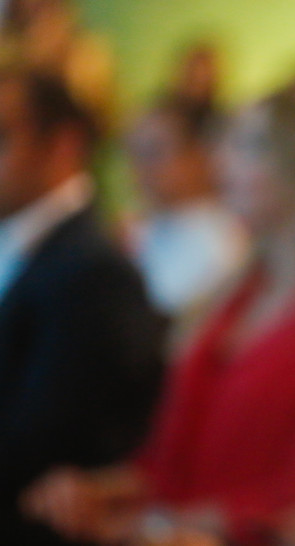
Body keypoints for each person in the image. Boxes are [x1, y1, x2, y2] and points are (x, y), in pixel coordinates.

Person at [22, 74, 295, 546]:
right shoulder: (234, 292)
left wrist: (162, 524)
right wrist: (103, 493)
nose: (223, 162)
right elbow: (175, 461)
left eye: (253, 146)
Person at [0, 69, 166, 544]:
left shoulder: (91, 270)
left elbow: (43, 446)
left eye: (2, 137)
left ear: (63, 145)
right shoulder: (36, 248)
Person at [125, 97, 248, 342]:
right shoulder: (139, 232)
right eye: (135, 154)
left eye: (154, 153)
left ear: (200, 155)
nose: (141, 169)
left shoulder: (224, 244)